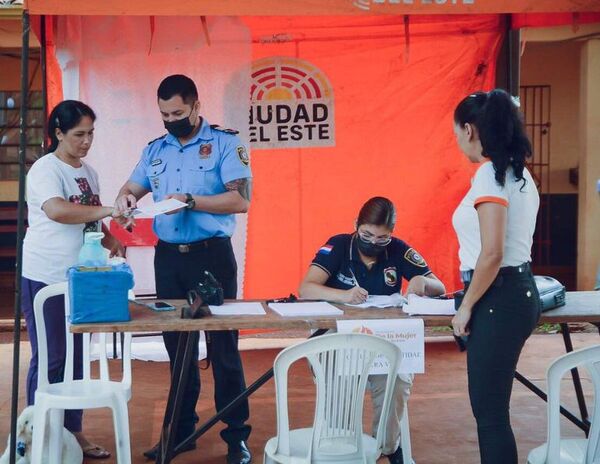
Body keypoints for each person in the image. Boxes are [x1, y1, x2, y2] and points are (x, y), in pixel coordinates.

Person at [114, 74, 252, 464]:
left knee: (224, 350)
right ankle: (180, 432)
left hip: (212, 257)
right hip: (170, 259)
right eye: (164, 114)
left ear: (195, 106)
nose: (171, 119)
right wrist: (124, 202)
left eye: (177, 112)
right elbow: (131, 188)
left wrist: (191, 200)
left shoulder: (225, 143)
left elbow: (240, 200)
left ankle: (236, 438)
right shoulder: (155, 149)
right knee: (178, 350)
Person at [299, 196, 446, 464]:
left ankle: (388, 447)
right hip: (338, 334)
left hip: (383, 335)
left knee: (398, 378)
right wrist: (343, 296)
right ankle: (341, 447)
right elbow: (306, 288)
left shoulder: (398, 250)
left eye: (382, 238)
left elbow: (441, 288)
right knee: (340, 380)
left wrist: (421, 281)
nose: (373, 243)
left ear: (391, 234)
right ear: (356, 225)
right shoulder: (340, 245)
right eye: (367, 234)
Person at [22, 100, 125, 459]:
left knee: (77, 358)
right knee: (50, 358)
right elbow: (58, 210)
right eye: (79, 134)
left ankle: (72, 432)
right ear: (58, 133)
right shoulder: (44, 170)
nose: (86, 141)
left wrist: (113, 239)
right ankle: (39, 434)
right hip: (46, 275)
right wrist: (110, 209)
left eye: (91, 133)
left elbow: (90, 219)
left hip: (81, 277)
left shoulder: (89, 172)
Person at [451, 89, 541, 464]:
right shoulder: (517, 172)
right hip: (513, 291)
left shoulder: (490, 175)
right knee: (492, 413)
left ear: (469, 129)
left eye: (456, 132)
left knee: (490, 417)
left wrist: (466, 306)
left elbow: (492, 253)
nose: (457, 140)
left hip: (497, 296)